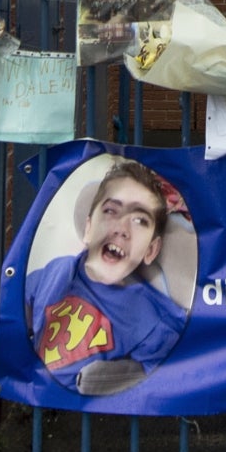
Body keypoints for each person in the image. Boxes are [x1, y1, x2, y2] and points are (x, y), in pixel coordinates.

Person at [26, 158, 187, 395]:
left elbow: (162, 378)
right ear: (89, 228)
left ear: (151, 250)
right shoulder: (53, 274)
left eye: (139, 220)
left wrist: (117, 376)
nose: (122, 228)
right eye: (111, 210)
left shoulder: (152, 322)